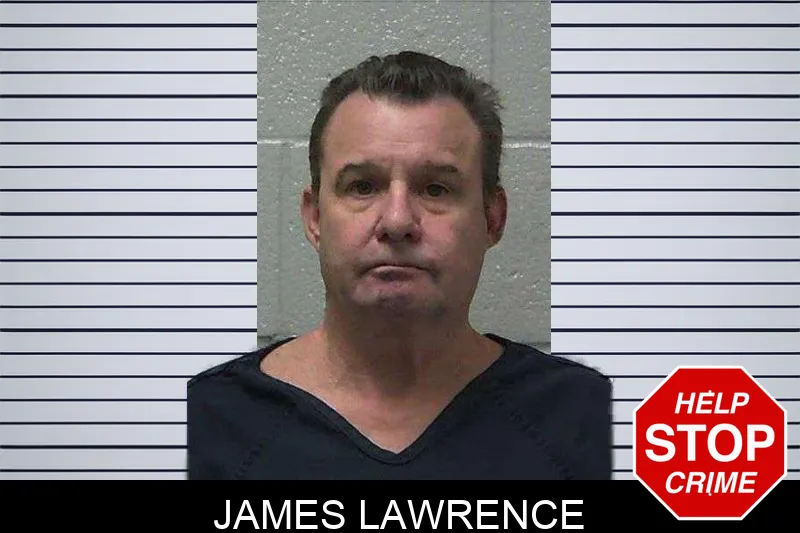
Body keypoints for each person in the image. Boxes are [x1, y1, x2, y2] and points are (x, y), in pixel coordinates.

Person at [187, 51, 612, 480]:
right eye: (362, 187)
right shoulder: (205, 423)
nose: (396, 222)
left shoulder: (586, 420)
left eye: (436, 188)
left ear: (492, 218)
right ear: (315, 217)